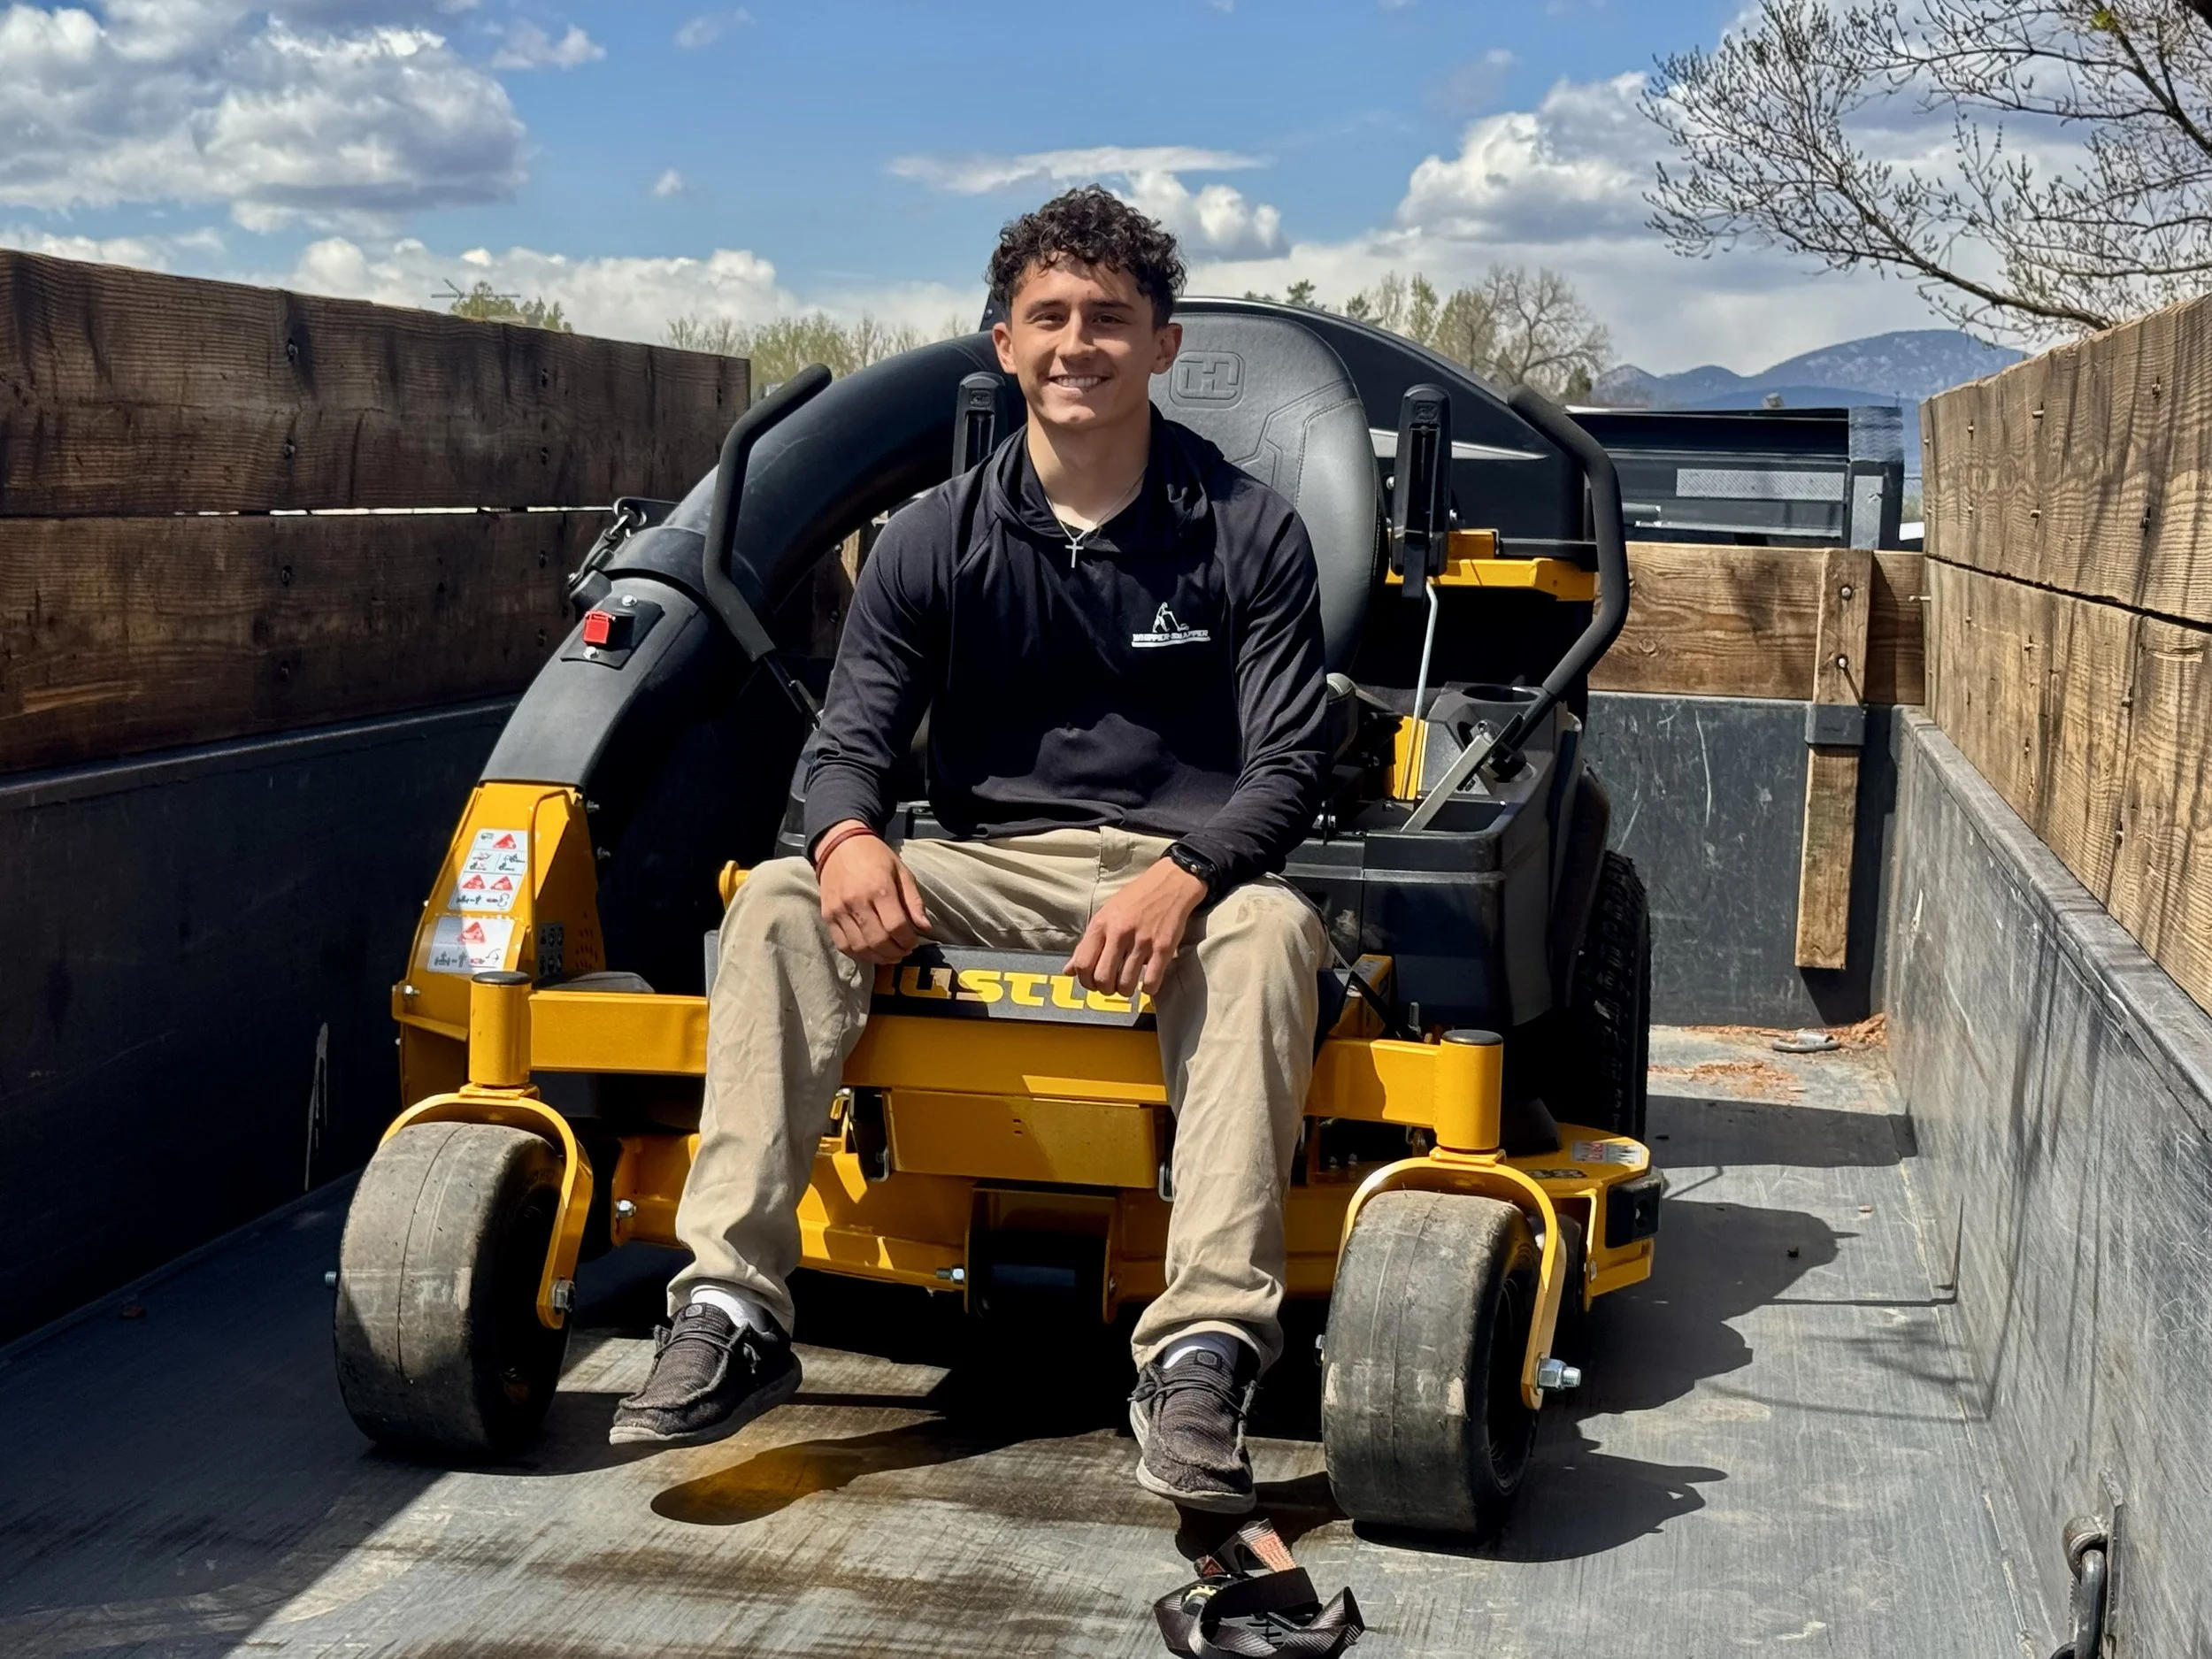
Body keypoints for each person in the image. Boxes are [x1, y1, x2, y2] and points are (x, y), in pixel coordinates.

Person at [610, 186, 1331, 1516]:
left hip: (1188, 871)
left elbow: (1292, 767)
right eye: (1047, 317)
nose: (1077, 345)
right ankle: (730, 1302)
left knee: (1274, 930)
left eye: (1110, 320)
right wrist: (841, 839)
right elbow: (850, 744)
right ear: (1002, 342)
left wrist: (1187, 876)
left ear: (1163, 346)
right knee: (777, 897)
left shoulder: (1248, 531)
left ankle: (1204, 1347)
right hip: (990, 863)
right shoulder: (932, 537)